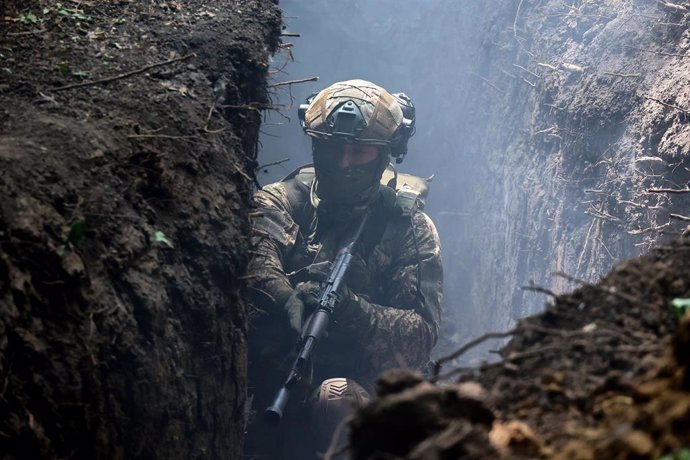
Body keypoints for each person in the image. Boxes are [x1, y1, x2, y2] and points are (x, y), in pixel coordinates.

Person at [245, 79, 443, 459]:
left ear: (386, 154)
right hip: (271, 380)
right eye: (333, 148)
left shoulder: (407, 228)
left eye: (360, 152)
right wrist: (286, 296)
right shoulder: (283, 200)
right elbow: (257, 253)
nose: (344, 163)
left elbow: (420, 337)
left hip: (359, 390)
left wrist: (349, 309)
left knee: (336, 397)